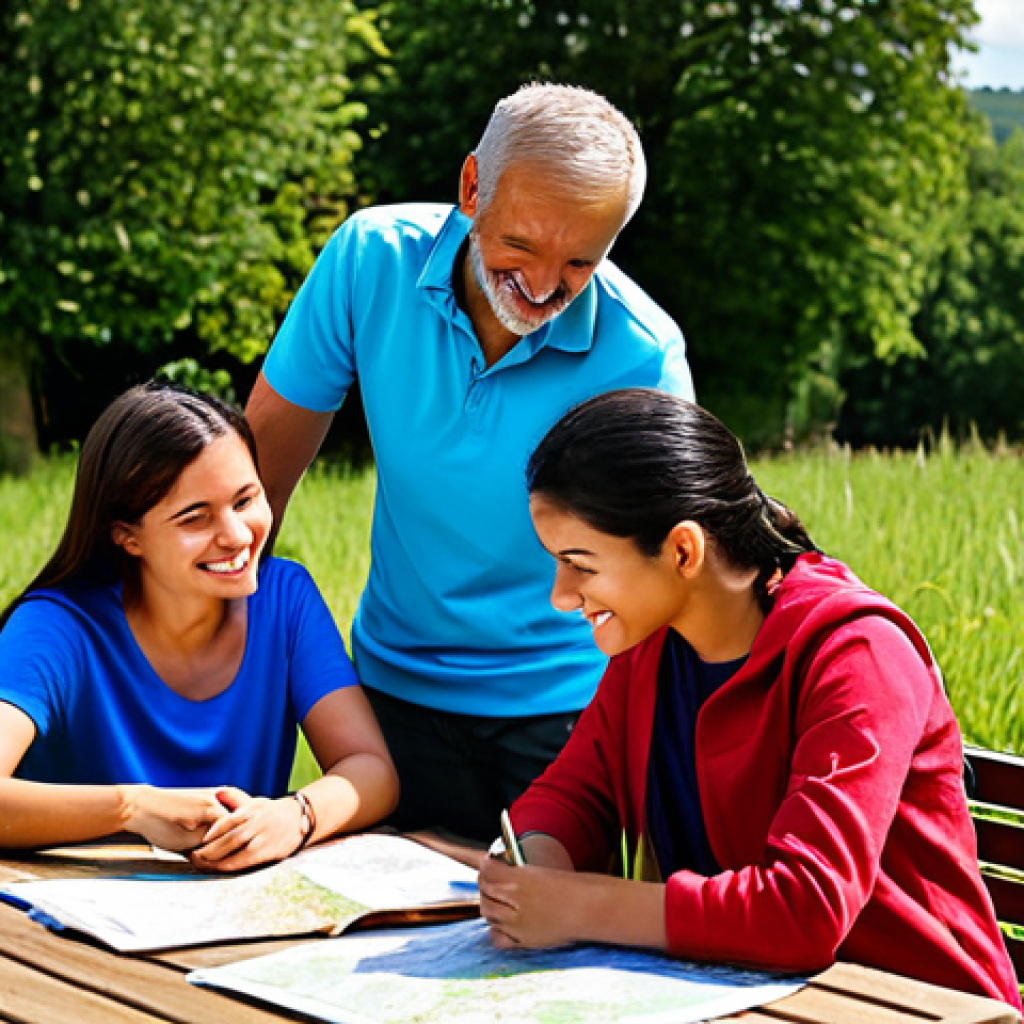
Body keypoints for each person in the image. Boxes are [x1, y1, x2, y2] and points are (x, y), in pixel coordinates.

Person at [246, 83, 695, 842]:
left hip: (565, 712)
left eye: (580, 261)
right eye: (519, 246)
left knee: (537, 943)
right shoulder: (368, 263)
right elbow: (255, 486)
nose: (544, 286)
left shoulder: (644, 356)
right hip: (392, 691)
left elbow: (675, 584)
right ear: (471, 188)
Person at [479, 389, 1021, 1010]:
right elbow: (573, 793)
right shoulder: (651, 649)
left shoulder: (858, 654)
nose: (561, 594)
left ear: (683, 550)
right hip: (755, 997)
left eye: (581, 564)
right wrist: (535, 866)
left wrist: (581, 907)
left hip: (914, 1006)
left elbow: (805, 908)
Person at [0, 380, 398, 872]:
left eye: (244, 500)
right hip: (64, 925)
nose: (235, 536)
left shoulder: (285, 598)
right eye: (195, 518)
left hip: (231, 913)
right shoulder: (56, 628)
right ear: (127, 537)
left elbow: (372, 771)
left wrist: (297, 815)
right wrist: (133, 807)